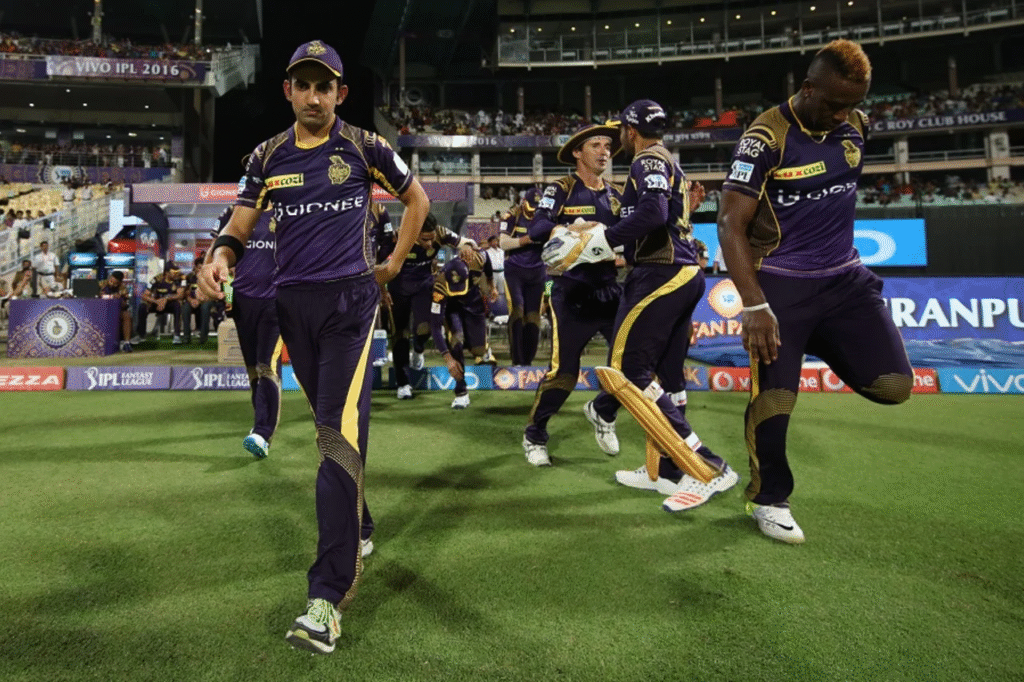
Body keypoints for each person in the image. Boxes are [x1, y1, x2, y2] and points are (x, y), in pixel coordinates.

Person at [196, 40, 429, 655]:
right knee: (334, 433)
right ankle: (362, 521)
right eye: (303, 85)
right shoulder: (266, 156)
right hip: (291, 306)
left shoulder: (364, 145)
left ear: (340, 94)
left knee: (335, 437)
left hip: (350, 307)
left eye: (324, 86)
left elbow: (418, 199)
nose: (314, 96)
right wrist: (219, 255)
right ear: (289, 91)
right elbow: (241, 221)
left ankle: (326, 597)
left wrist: (393, 263)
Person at [717, 40, 912, 544]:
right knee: (777, 397)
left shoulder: (856, 125)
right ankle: (768, 498)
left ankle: (814, 339)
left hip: (845, 280)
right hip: (781, 286)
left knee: (894, 386)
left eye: (853, 105)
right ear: (807, 89)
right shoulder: (765, 138)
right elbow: (729, 224)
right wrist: (755, 304)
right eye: (834, 104)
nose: (843, 114)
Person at [579, 99, 738, 509]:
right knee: (667, 378)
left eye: (620, 132)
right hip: (681, 273)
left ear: (631, 131)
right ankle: (665, 471)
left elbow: (651, 213)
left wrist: (602, 240)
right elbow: (662, 216)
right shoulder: (668, 162)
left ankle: (707, 466)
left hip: (660, 274)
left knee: (627, 370)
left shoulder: (647, 160)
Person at [520, 123, 624, 467]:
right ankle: (535, 435)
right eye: (596, 145)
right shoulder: (561, 188)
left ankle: (603, 411)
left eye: (607, 146)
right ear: (578, 152)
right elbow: (537, 227)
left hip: (610, 290)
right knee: (564, 373)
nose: (604, 152)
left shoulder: (617, 194)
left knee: (633, 364)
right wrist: (568, 229)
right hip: (570, 291)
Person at [212, 208, 282, 460]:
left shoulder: (288, 208)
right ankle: (259, 423)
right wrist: (226, 296)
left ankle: (263, 433)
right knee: (253, 370)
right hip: (243, 301)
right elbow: (220, 254)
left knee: (267, 366)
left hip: (276, 301)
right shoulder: (234, 212)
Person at [383, 213, 473, 399]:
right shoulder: (398, 237)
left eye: (432, 239)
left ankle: (418, 349)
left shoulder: (440, 233)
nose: (431, 244)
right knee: (400, 334)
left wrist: (467, 247)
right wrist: (381, 289)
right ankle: (403, 384)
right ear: (414, 232)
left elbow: (466, 242)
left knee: (426, 327)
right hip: (398, 289)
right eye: (425, 239)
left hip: (424, 287)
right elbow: (377, 260)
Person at [429, 257, 488, 409]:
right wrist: (448, 358)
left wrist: (491, 285)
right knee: (456, 341)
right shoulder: (439, 287)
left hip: (474, 306)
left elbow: (488, 264)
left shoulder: (477, 262)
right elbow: (435, 327)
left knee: (479, 350)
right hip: (452, 309)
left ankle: (479, 344)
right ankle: (461, 391)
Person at [499, 188, 545, 365]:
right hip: (515, 272)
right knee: (517, 312)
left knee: (534, 317)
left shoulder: (546, 216)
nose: (534, 212)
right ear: (524, 202)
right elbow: (503, 243)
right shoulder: (512, 216)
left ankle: (528, 362)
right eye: (531, 207)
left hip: (538, 272)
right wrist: (525, 240)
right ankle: (517, 361)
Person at [132, 264, 183, 344]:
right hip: (156, 303)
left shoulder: (178, 280)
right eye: (174, 272)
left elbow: (180, 295)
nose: (176, 274)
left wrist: (166, 299)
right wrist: (156, 301)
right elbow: (144, 295)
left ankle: (177, 335)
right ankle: (141, 335)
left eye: (177, 272)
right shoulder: (156, 279)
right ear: (167, 273)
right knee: (142, 306)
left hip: (169, 304)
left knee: (177, 305)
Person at [99, 270, 133, 352]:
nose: (112, 282)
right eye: (111, 280)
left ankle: (126, 343)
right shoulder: (101, 284)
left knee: (127, 315)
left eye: (115, 282)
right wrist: (111, 296)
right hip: (101, 309)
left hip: (116, 310)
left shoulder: (123, 288)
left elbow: (125, 304)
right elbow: (95, 296)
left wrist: (119, 300)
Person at [182, 257, 213, 344]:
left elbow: (211, 294)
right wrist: (191, 300)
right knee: (185, 308)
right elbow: (185, 293)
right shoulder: (189, 278)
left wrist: (199, 301)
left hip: (206, 300)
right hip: (192, 300)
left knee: (205, 307)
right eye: (199, 268)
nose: (201, 270)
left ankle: (203, 337)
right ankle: (186, 337)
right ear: (195, 267)